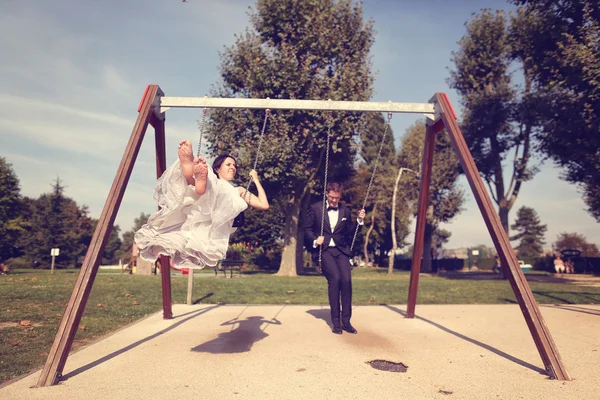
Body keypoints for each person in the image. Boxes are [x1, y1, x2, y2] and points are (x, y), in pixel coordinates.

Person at [135, 140, 269, 270]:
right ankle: (191, 170)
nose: (233, 168)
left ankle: (193, 175)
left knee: (186, 237)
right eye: (228, 165)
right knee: (205, 188)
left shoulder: (238, 190)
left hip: (216, 217)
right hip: (205, 208)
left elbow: (264, 204)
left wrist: (256, 180)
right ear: (217, 168)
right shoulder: (216, 183)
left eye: (234, 166)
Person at [304, 182, 366, 335]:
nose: (334, 201)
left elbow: (350, 232)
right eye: (331, 197)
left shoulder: (345, 210)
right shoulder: (316, 208)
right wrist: (314, 240)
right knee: (335, 279)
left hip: (341, 250)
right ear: (326, 194)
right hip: (324, 250)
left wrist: (359, 220)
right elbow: (307, 228)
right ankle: (336, 323)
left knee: (346, 281)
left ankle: (346, 321)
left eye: (336, 198)